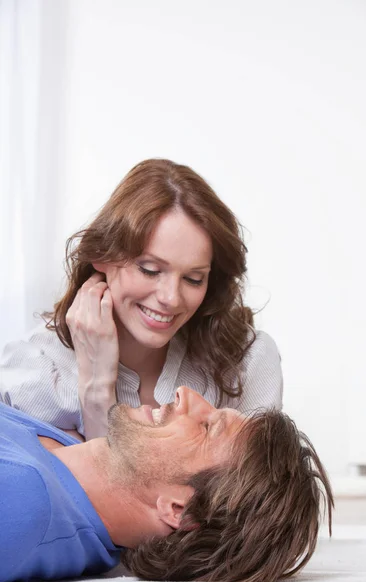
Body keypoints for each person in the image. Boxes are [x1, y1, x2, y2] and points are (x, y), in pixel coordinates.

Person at [0, 159, 283, 440]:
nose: (171, 298)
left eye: (193, 279)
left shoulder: (247, 361)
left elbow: (257, 485)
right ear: (102, 256)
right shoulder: (34, 373)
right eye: (149, 270)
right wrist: (97, 390)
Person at [0, 385, 333, 582]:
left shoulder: (24, 499)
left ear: (180, 509)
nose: (185, 394)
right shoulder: (59, 453)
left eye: (206, 428)